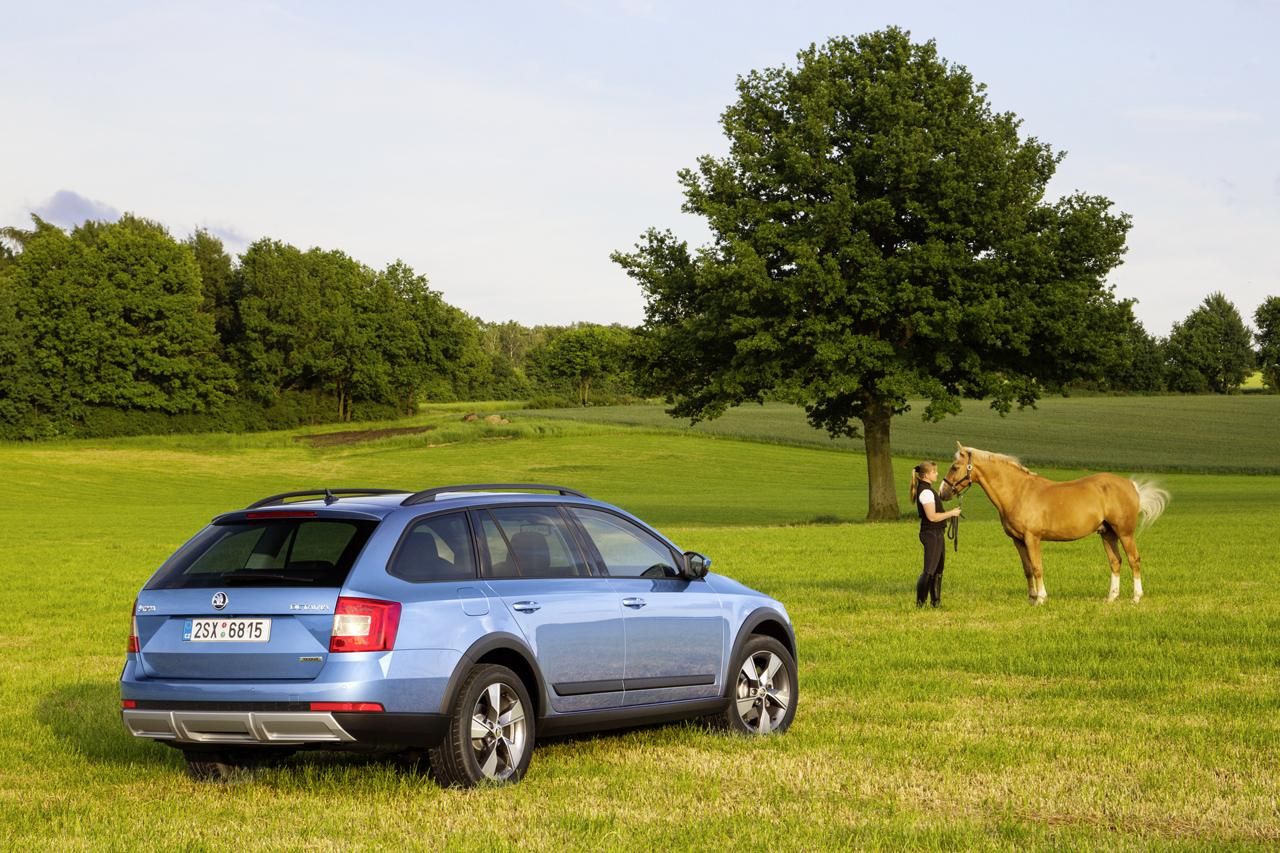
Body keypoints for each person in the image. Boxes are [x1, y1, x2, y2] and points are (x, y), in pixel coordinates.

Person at [910, 461, 961, 607]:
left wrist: (950, 515)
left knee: (938, 570)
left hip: (937, 533)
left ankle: (936, 602)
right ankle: (920, 603)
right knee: (929, 570)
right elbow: (932, 517)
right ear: (926, 475)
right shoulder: (926, 492)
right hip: (931, 533)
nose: (937, 474)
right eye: (934, 472)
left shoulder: (928, 490)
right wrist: (951, 513)